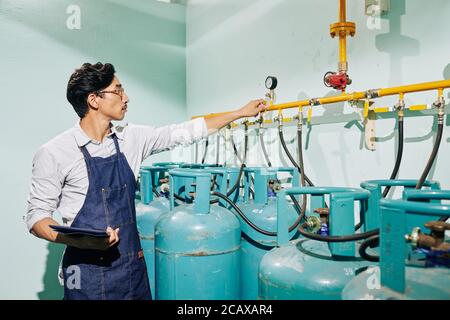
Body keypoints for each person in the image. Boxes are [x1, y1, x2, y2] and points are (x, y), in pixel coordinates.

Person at [24, 62, 266, 300]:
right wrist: (81, 240)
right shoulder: (55, 152)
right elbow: (37, 218)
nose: (126, 97)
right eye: (117, 90)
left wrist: (239, 113)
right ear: (94, 100)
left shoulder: (131, 139)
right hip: (85, 275)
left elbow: (181, 132)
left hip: (130, 271)